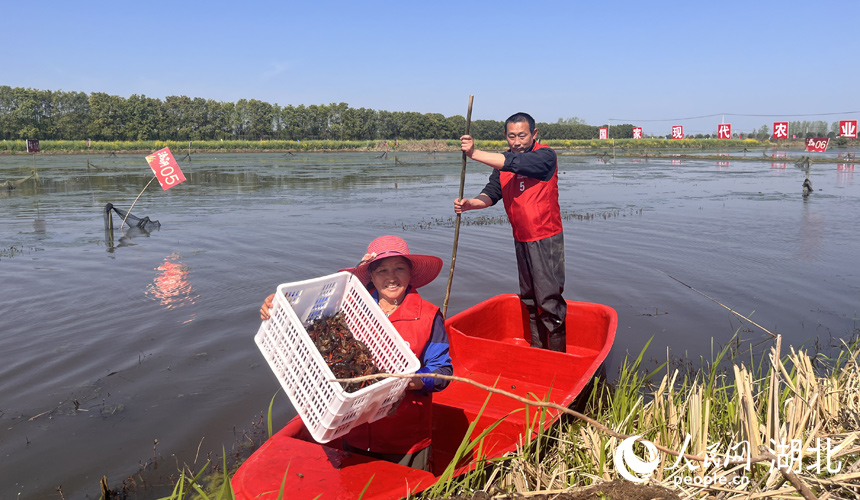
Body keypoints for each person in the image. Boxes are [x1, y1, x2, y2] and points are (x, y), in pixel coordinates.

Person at [259, 235, 452, 471]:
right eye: (382, 270)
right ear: (370, 276)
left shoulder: (430, 316)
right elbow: (307, 315)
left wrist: (405, 383)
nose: (391, 277)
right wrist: (275, 305)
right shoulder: (351, 306)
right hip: (351, 428)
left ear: (410, 272)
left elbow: (443, 372)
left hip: (404, 438)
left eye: (399, 268)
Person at [453, 112, 567, 352]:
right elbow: (492, 193)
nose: (517, 142)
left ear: (534, 134)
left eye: (522, 136)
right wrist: (471, 203)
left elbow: (517, 164)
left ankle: (557, 358)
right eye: (512, 136)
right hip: (521, 238)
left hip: (545, 237)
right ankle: (537, 350)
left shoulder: (545, 156)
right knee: (529, 298)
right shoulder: (503, 162)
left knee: (548, 301)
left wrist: (474, 153)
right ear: (506, 136)